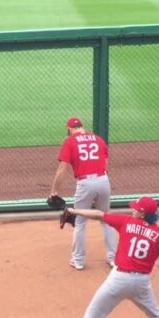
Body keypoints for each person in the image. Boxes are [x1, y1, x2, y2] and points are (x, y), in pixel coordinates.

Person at [50, 116, 118, 270]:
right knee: (106, 218)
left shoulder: (70, 142)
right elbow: (105, 165)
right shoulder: (98, 139)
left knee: (80, 222)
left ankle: (78, 260)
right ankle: (113, 259)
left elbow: (62, 169)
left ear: (69, 129)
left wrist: (54, 192)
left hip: (85, 183)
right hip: (103, 180)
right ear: (82, 126)